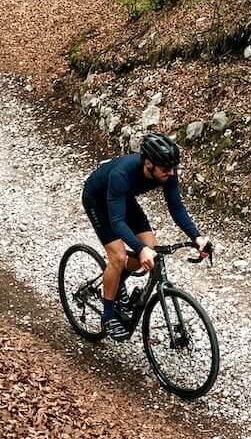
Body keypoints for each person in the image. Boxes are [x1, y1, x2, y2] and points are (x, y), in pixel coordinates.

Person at [82, 132, 213, 339]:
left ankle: (117, 283)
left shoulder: (167, 171)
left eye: (173, 168)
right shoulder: (122, 174)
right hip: (97, 199)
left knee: (150, 247)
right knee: (118, 257)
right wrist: (139, 249)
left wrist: (197, 237)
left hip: (122, 198)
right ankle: (108, 315)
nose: (171, 173)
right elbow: (116, 222)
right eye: (166, 169)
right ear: (149, 164)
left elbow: (176, 208)